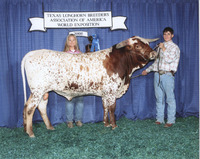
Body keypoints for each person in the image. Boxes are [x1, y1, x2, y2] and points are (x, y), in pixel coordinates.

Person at [142, 27, 180, 128]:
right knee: (159, 98)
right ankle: (160, 118)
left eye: (168, 34)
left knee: (170, 99)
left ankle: (171, 120)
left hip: (168, 75)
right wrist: (148, 70)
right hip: (157, 74)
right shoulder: (159, 47)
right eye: (164, 34)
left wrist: (163, 48)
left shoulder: (174, 48)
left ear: (172, 35)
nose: (166, 36)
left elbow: (169, 60)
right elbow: (157, 63)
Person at [43, 34, 84, 128]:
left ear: (76, 42)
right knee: (69, 100)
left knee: (80, 101)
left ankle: (78, 120)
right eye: (70, 40)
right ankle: (69, 120)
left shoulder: (80, 54)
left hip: (79, 80)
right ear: (67, 42)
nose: (72, 42)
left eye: (73, 40)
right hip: (68, 81)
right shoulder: (63, 54)